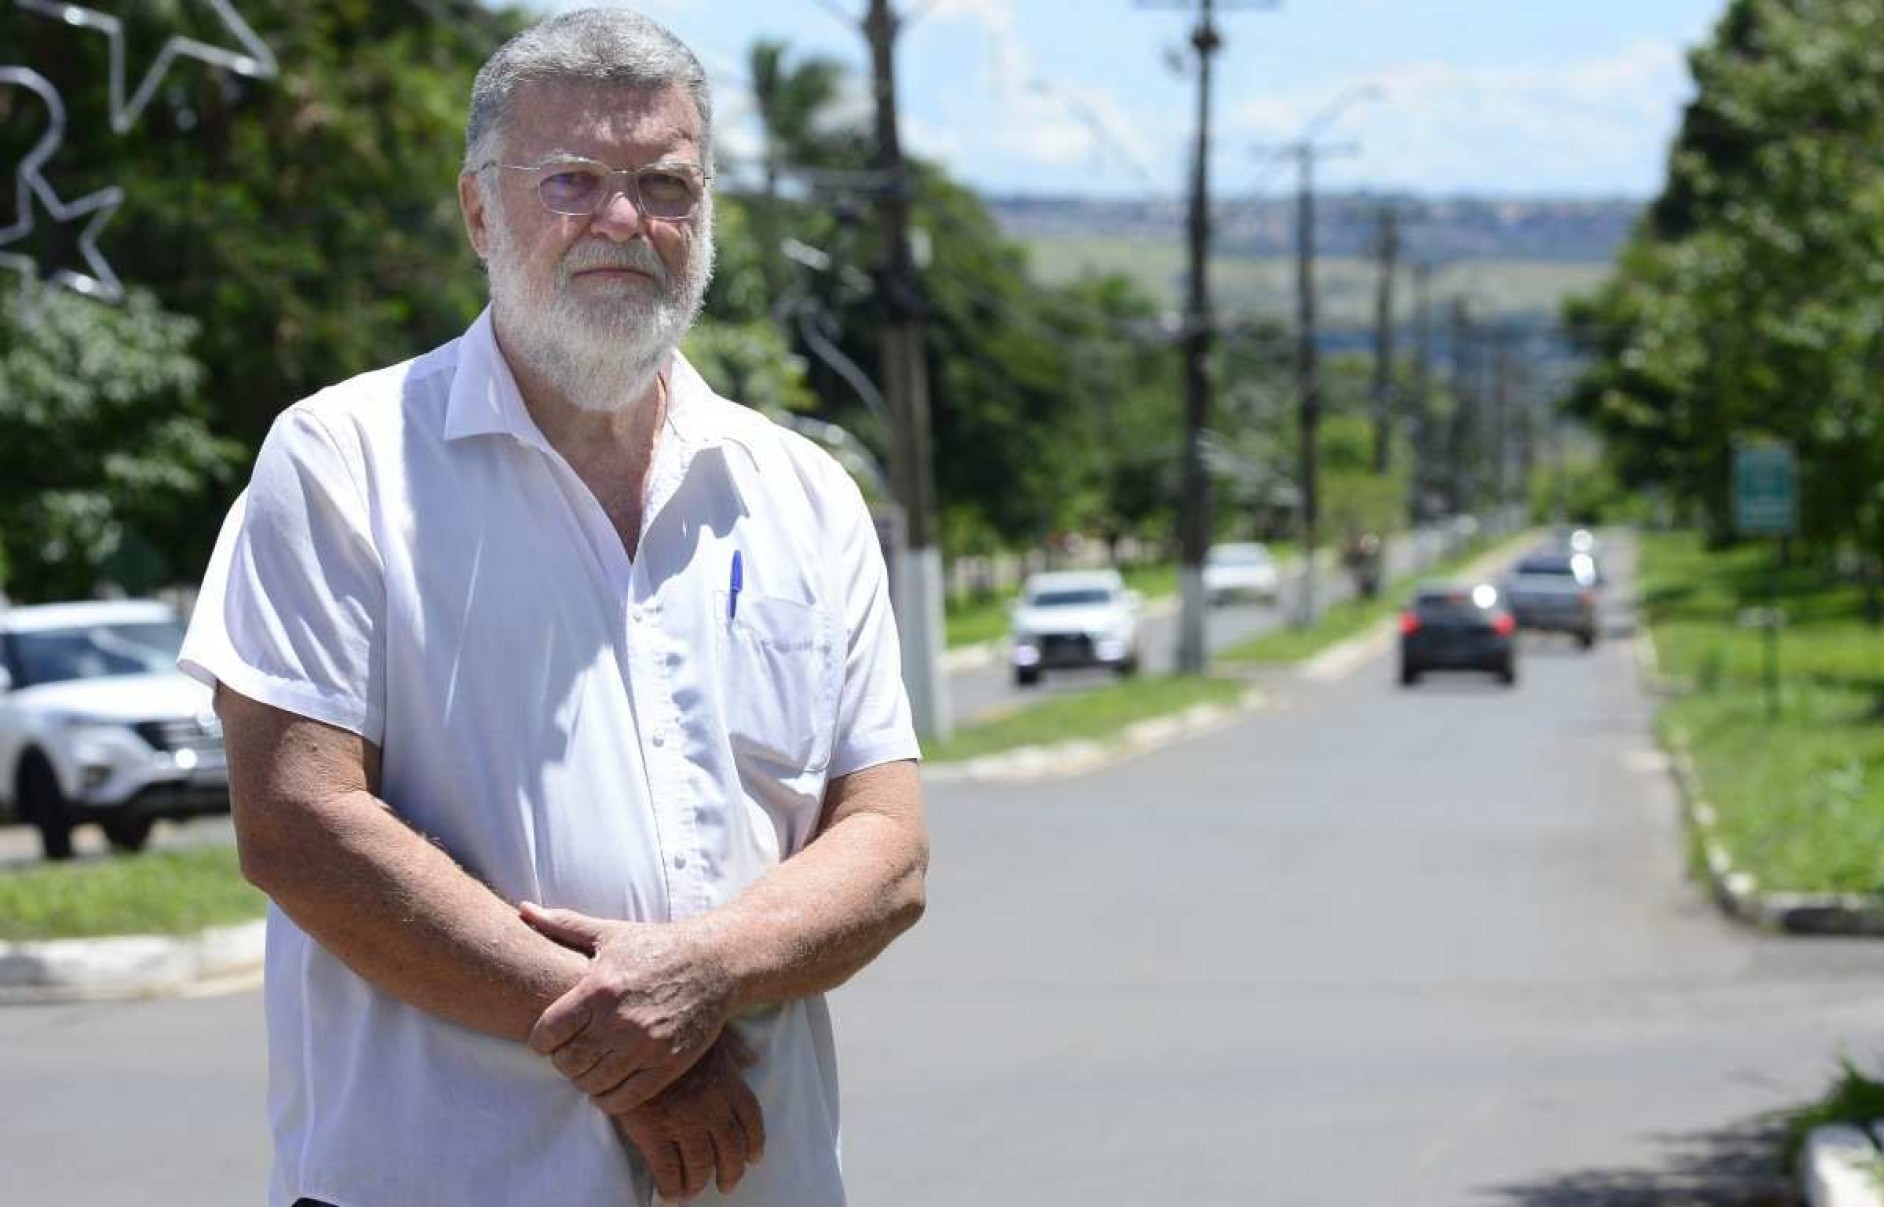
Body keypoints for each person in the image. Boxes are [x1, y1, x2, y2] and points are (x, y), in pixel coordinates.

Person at [179, 9, 928, 1206]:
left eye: (665, 184)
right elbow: (298, 826)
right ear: (481, 211)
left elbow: (885, 847)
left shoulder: (803, 493)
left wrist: (704, 975)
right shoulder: (343, 462)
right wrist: (627, 1044)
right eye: (572, 180)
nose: (623, 221)